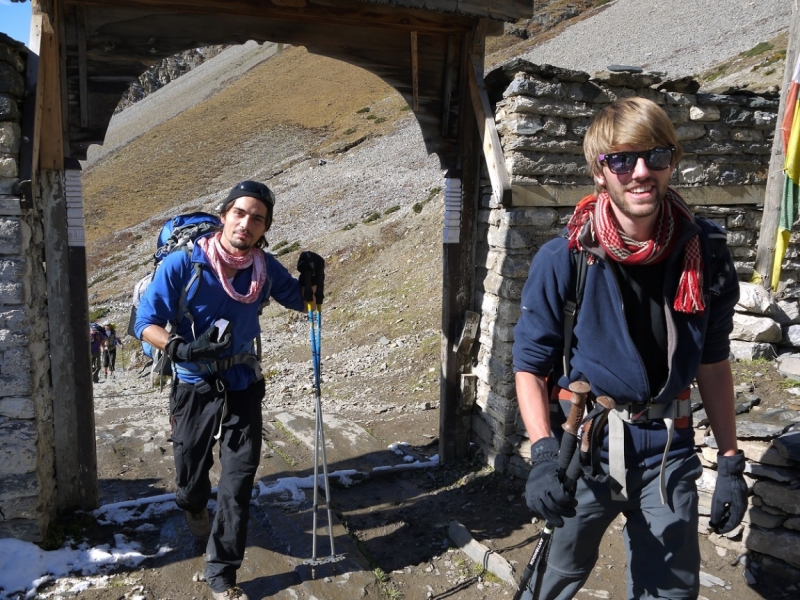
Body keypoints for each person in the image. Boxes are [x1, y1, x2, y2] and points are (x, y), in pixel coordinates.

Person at [512, 97, 746, 600]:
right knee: (554, 579)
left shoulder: (705, 254)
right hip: (586, 447)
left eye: (655, 156)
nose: (640, 172)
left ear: (672, 162)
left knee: (669, 592)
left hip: (669, 449)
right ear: (600, 172)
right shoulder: (564, 259)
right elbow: (530, 366)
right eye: (621, 159)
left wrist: (729, 461)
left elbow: (712, 359)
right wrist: (544, 454)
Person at [135, 180, 325, 600]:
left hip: (243, 383)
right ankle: (194, 506)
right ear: (223, 216)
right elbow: (144, 323)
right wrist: (180, 346)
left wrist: (313, 278)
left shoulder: (264, 267)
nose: (247, 223)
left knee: (238, 483)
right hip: (193, 385)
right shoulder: (184, 264)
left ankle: (223, 573)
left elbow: (305, 304)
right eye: (239, 213)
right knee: (190, 484)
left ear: (265, 227)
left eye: (257, 218)